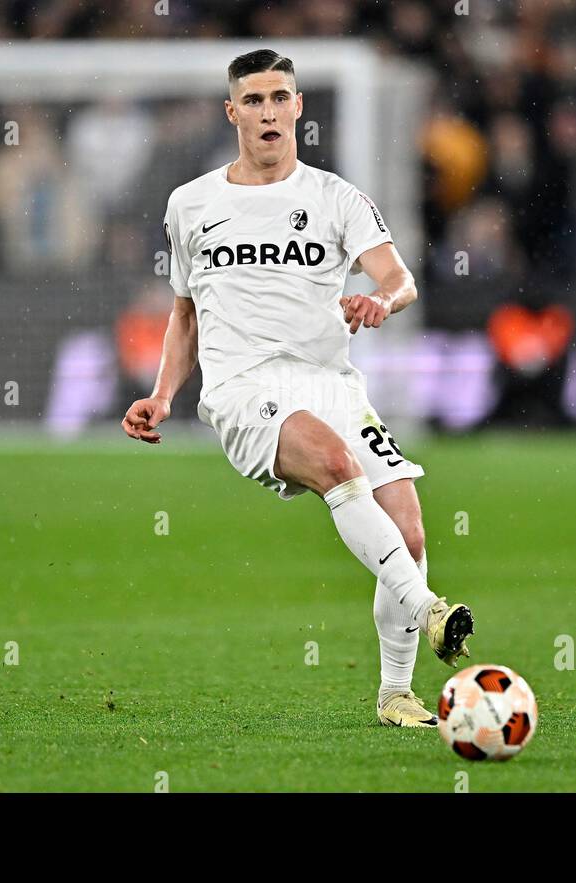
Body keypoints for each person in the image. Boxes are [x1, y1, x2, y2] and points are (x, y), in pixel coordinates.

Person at [120, 49, 474, 728]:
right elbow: (185, 311)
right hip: (243, 386)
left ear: (298, 107)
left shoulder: (337, 198)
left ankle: (395, 693)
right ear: (233, 113)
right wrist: (164, 395)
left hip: (331, 382)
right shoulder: (191, 204)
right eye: (252, 101)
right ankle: (429, 609)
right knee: (337, 466)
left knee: (409, 530)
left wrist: (381, 301)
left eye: (279, 97)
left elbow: (400, 279)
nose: (267, 112)